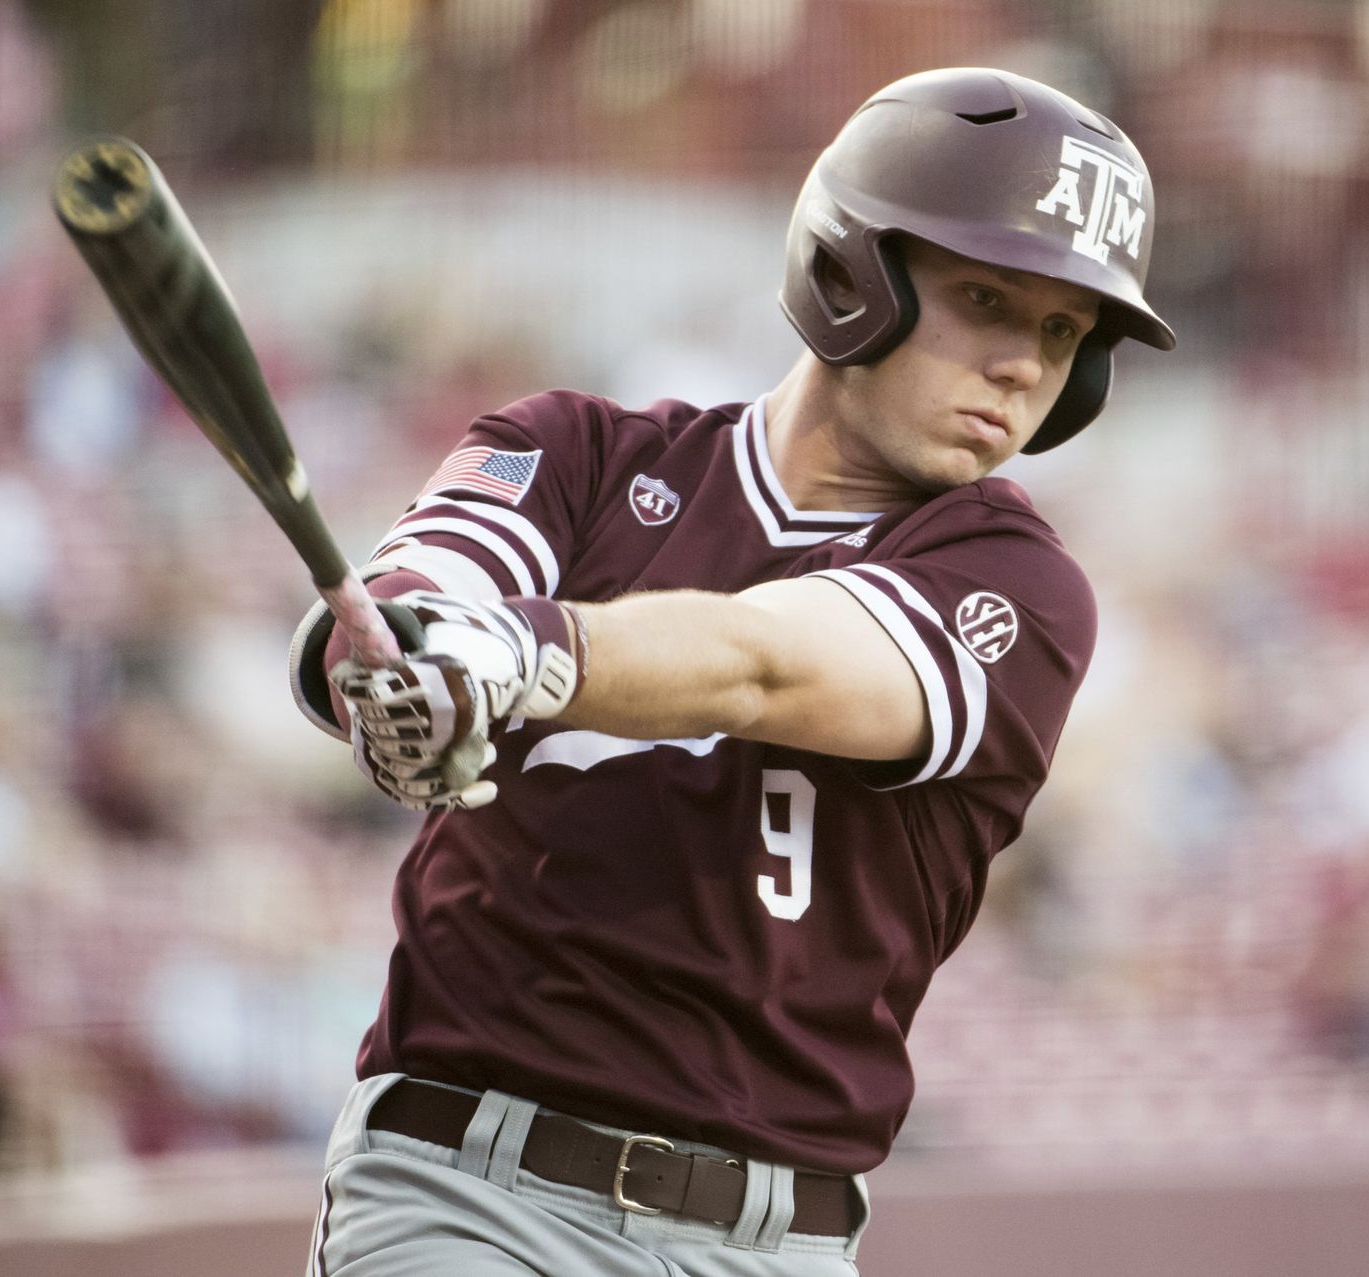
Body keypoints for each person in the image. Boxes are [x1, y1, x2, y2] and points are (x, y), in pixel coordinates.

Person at [290, 67, 1175, 1276]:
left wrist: (522, 653)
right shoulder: (573, 454)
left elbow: (767, 666)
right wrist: (409, 662)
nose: (1026, 366)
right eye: (986, 297)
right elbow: (431, 589)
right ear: (851, 274)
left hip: (775, 1242)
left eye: (1063, 332)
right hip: (470, 1194)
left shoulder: (1015, 582)